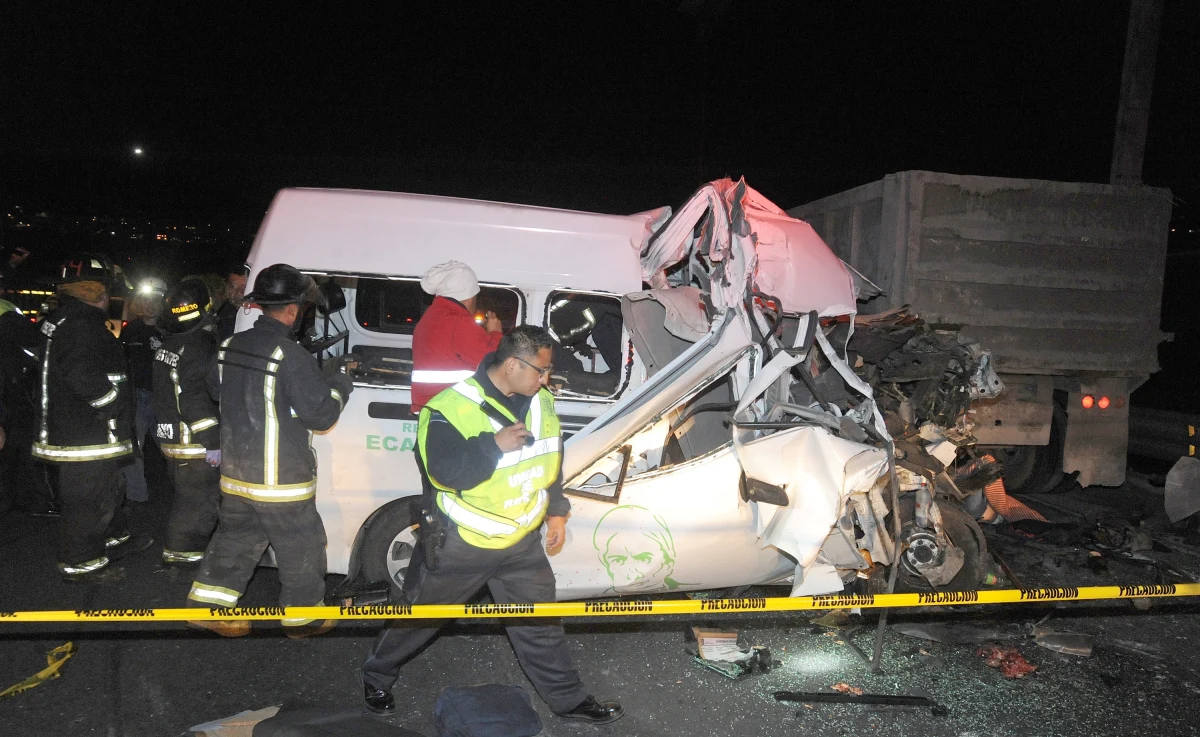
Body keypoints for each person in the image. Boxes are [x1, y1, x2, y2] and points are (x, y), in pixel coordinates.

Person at [360, 326, 623, 725]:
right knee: (420, 617)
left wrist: (556, 509)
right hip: (462, 544)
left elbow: (551, 456)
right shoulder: (449, 408)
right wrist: (492, 445)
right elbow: (443, 473)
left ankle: (570, 702)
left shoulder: (541, 400)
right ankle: (377, 675)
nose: (546, 379)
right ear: (514, 364)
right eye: (542, 370)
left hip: (521, 544)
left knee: (539, 626)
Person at [186, 263, 353, 638]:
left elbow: (215, 389)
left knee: (235, 539)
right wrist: (340, 383)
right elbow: (322, 415)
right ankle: (303, 618)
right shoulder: (290, 356)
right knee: (301, 544)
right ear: (293, 310)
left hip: (236, 475)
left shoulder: (228, 347)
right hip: (281, 480)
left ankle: (207, 608)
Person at [33, 254, 141, 584]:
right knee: (89, 501)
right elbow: (81, 375)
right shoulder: (82, 327)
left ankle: (113, 538)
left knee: (110, 489)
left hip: (81, 432)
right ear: (93, 292)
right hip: (86, 436)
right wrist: (113, 402)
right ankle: (81, 563)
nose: (109, 298)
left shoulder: (64, 321)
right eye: (106, 290)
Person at [154, 277, 222, 564]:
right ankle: (183, 557)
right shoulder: (199, 345)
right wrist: (212, 441)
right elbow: (194, 397)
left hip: (172, 439)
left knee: (186, 500)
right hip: (192, 443)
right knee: (197, 505)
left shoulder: (170, 345)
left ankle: (181, 553)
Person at [409, 260, 502, 414]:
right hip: (452, 410)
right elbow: (491, 362)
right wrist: (495, 333)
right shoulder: (459, 321)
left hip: (430, 407)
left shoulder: (429, 318)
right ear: (470, 297)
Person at [0, 299, 52, 513]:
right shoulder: (6, 311)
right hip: (12, 396)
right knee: (22, 450)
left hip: (12, 394)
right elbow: (30, 337)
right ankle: (32, 500)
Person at [119, 277, 167, 502]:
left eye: (154, 300)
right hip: (138, 397)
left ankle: (182, 494)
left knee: (172, 448)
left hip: (163, 399)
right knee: (134, 450)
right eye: (145, 300)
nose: (150, 305)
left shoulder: (170, 331)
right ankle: (138, 498)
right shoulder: (131, 331)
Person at [216, 267, 247, 341]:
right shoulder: (219, 318)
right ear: (226, 288)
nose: (239, 293)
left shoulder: (262, 315)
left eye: (244, 287)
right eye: (233, 286)